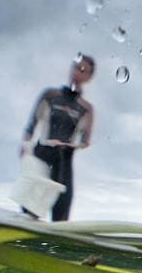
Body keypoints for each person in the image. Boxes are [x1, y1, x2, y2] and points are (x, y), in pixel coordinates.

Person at [21, 54, 95, 221]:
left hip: (64, 159)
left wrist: (70, 145)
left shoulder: (86, 108)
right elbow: (31, 126)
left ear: (89, 77)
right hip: (42, 154)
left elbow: (85, 141)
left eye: (83, 70)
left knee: (61, 215)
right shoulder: (50, 95)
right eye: (76, 67)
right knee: (30, 212)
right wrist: (25, 149)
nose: (78, 72)